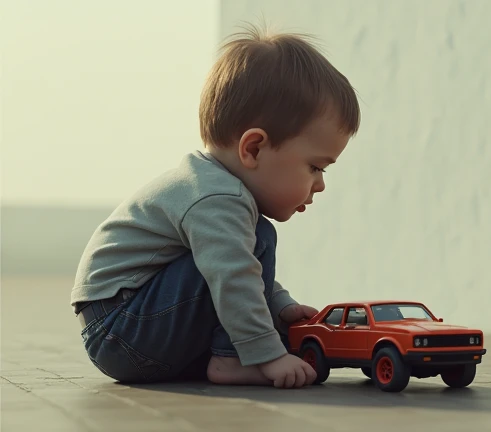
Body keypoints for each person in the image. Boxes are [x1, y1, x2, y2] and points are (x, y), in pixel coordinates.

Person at [70, 24, 361, 389]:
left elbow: (233, 268)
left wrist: (280, 305)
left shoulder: (212, 188)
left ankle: (238, 352)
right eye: (315, 167)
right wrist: (267, 355)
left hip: (123, 324)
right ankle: (233, 359)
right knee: (255, 242)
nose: (320, 184)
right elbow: (232, 275)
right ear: (253, 148)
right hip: (123, 325)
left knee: (246, 253)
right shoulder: (219, 199)